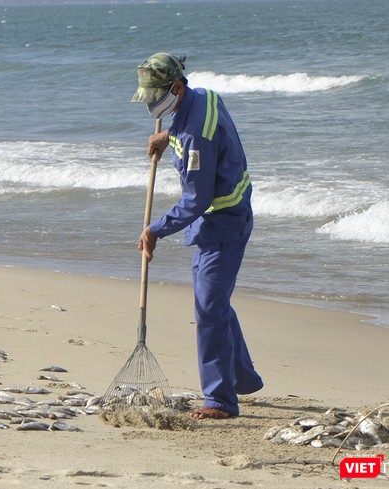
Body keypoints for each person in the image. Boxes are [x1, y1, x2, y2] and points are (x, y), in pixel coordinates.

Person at [130, 53, 263, 419]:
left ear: (176, 87)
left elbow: (196, 200)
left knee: (208, 309)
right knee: (215, 301)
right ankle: (243, 377)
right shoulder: (205, 97)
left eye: (156, 96)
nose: (152, 104)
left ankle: (220, 400)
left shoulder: (194, 139)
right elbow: (192, 126)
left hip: (223, 221)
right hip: (226, 214)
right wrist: (168, 134)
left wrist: (155, 229)